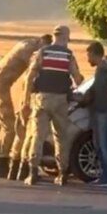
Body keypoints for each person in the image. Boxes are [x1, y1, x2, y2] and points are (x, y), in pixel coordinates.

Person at [22, 25, 84, 186]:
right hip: (61, 101)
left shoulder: (44, 52)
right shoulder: (68, 55)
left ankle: (33, 172)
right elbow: (77, 79)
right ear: (65, 38)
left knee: (38, 136)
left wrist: (25, 101)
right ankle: (62, 173)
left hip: (42, 99)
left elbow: (30, 76)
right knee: (61, 137)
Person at [0, 35, 46, 178]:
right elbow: (32, 73)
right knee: (10, 127)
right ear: (41, 43)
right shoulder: (29, 49)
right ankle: (3, 161)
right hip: (1, 86)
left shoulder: (26, 43)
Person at [9, 34, 53, 181]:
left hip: (27, 102)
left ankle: (15, 170)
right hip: (33, 103)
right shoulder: (40, 63)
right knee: (31, 137)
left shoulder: (33, 62)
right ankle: (23, 169)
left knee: (22, 137)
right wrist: (26, 104)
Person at [86, 41, 107, 187]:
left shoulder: (106, 67)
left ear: (94, 54)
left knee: (105, 145)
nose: (88, 60)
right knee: (99, 144)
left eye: (89, 56)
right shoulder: (100, 69)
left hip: (106, 112)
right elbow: (95, 87)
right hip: (99, 111)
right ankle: (104, 175)